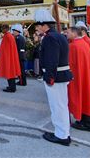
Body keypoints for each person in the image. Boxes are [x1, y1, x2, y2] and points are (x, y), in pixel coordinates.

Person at [34, 9, 73, 146]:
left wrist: (49, 77)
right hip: (61, 75)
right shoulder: (58, 36)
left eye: (38, 26)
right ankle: (63, 132)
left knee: (57, 106)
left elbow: (52, 61)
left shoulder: (50, 38)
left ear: (45, 25)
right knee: (61, 105)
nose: (37, 28)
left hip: (55, 77)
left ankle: (61, 135)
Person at [67, 27, 90, 132]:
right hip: (85, 75)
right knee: (86, 98)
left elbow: (70, 64)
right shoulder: (84, 43)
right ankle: (87, 121)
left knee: (81, 97)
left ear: (74, 33)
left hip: (78, 77)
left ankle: (88, 124)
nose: (66, 34)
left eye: (68, 32)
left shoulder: (73, 46)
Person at [0, 24, 21, 93]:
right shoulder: (9, 36)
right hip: (10, 56)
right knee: (11, 73)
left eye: (2, 29)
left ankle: (12, 88)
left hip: (8, 57)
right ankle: (12, 86)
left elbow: (5, 48)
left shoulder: (7, 36)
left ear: (6, 29)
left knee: (10, 73)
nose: (2, 30)